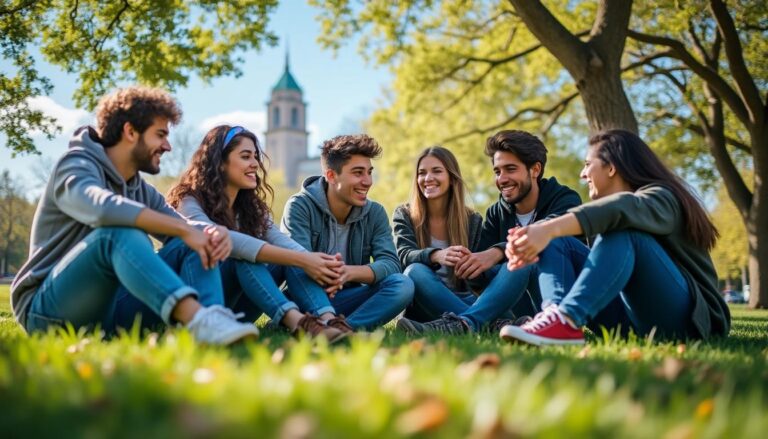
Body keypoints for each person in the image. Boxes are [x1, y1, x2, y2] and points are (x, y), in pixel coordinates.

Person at [10, 86, 258, 345]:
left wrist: (207, 233)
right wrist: (186, 230)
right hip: (48, 313)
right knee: (118, 233)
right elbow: (102, 208)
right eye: (160, 135)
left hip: (110, 311)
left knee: (194, 241)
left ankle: (213, 326)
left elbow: (182, 229)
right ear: (130, 132)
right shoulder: (75, 165)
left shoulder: (139, 188)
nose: (167, 146)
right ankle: (197, 319)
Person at [500, 129, 731, 345]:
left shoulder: (663, 198)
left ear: (611, 168)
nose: (583, 174)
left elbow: (623, 207)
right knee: (559, 241)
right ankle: (554, 316)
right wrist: (547, 234)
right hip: (630, 321)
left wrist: (547, 228)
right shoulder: (615, 214)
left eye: (588, 165)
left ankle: (567, 319)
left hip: (692, 322)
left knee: (622, 231)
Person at [169, 125, 352, 342]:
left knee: (290, 256)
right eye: (246, 156)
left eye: (256, 157)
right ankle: (298, 324)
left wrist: (319, 265)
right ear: (219, 162)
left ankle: (329, 321)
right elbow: (231, 242)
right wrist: (305, 259)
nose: (255, 163)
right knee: (246, 255)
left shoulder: (250, 209)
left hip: (240, 307)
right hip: (203, 306)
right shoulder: (188, 200)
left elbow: (281, 240)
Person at [396, 130, 582, 334]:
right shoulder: (496, 213)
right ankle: (487, 324)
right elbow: (481, 279)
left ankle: (467, 323)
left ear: (535, 169)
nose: (502, 179)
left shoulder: (564, 199)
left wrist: (497, 252)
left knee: (524, 256)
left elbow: (550, 231)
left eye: (510, 169)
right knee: (416, 272)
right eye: (497, 171)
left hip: (554, 299)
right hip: (509, 308)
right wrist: (471, 266)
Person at [281, 134, 414, 330]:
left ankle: (342, 329)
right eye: (358, 173)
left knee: (402, 285)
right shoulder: (300, 206)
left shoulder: (375, 212)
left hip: (346, 299)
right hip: (305, 298)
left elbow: (391, 264)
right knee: (296, 262)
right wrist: (328, 272)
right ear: (331, 176)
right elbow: (297, 264)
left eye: (369, 172)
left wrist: (347, 273)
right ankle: (319, 323)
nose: (368, 181)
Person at [391, 146, 483, 333]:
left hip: (462, 298)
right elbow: (403, 256)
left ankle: (462, 322)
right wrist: (436, 255)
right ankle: (482, 321)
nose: (428, 178)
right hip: (423, 306)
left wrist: (472, 266)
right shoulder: (405, 214)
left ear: (451, 178)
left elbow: (480, 277)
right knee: (414, 271)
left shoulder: (473, 220)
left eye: (437, 171)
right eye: (422, 173)